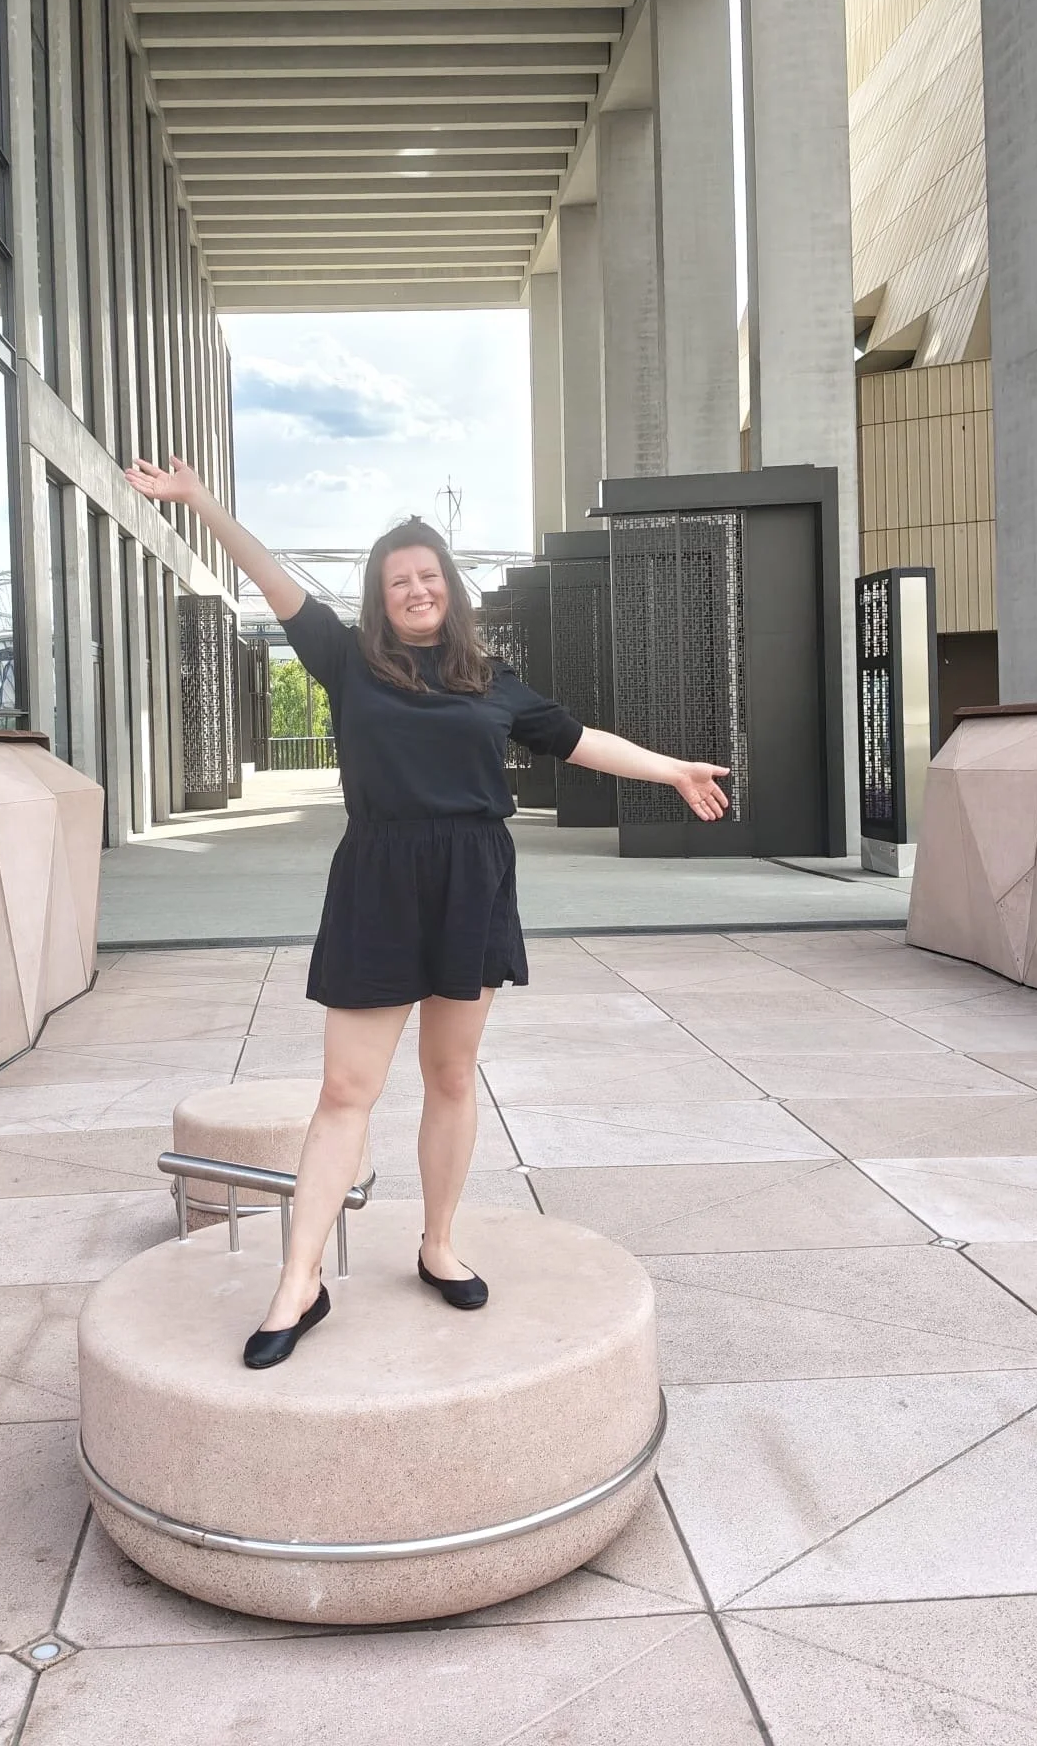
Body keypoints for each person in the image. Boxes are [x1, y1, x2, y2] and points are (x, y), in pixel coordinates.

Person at [124, 454, 730, 1370]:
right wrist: (200, 500)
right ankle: (300, 1281)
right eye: (397, 579)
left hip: (471, 880)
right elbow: (266, 572)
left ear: (450, 590)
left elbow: (580, 740)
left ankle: (436, 1243)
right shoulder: (344, 660)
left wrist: (674, 769)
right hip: (379, 877)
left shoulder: (493, 682)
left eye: (428, 575)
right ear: (380, 597)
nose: (414, 589)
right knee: (346, 1092)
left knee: (452, 1077)